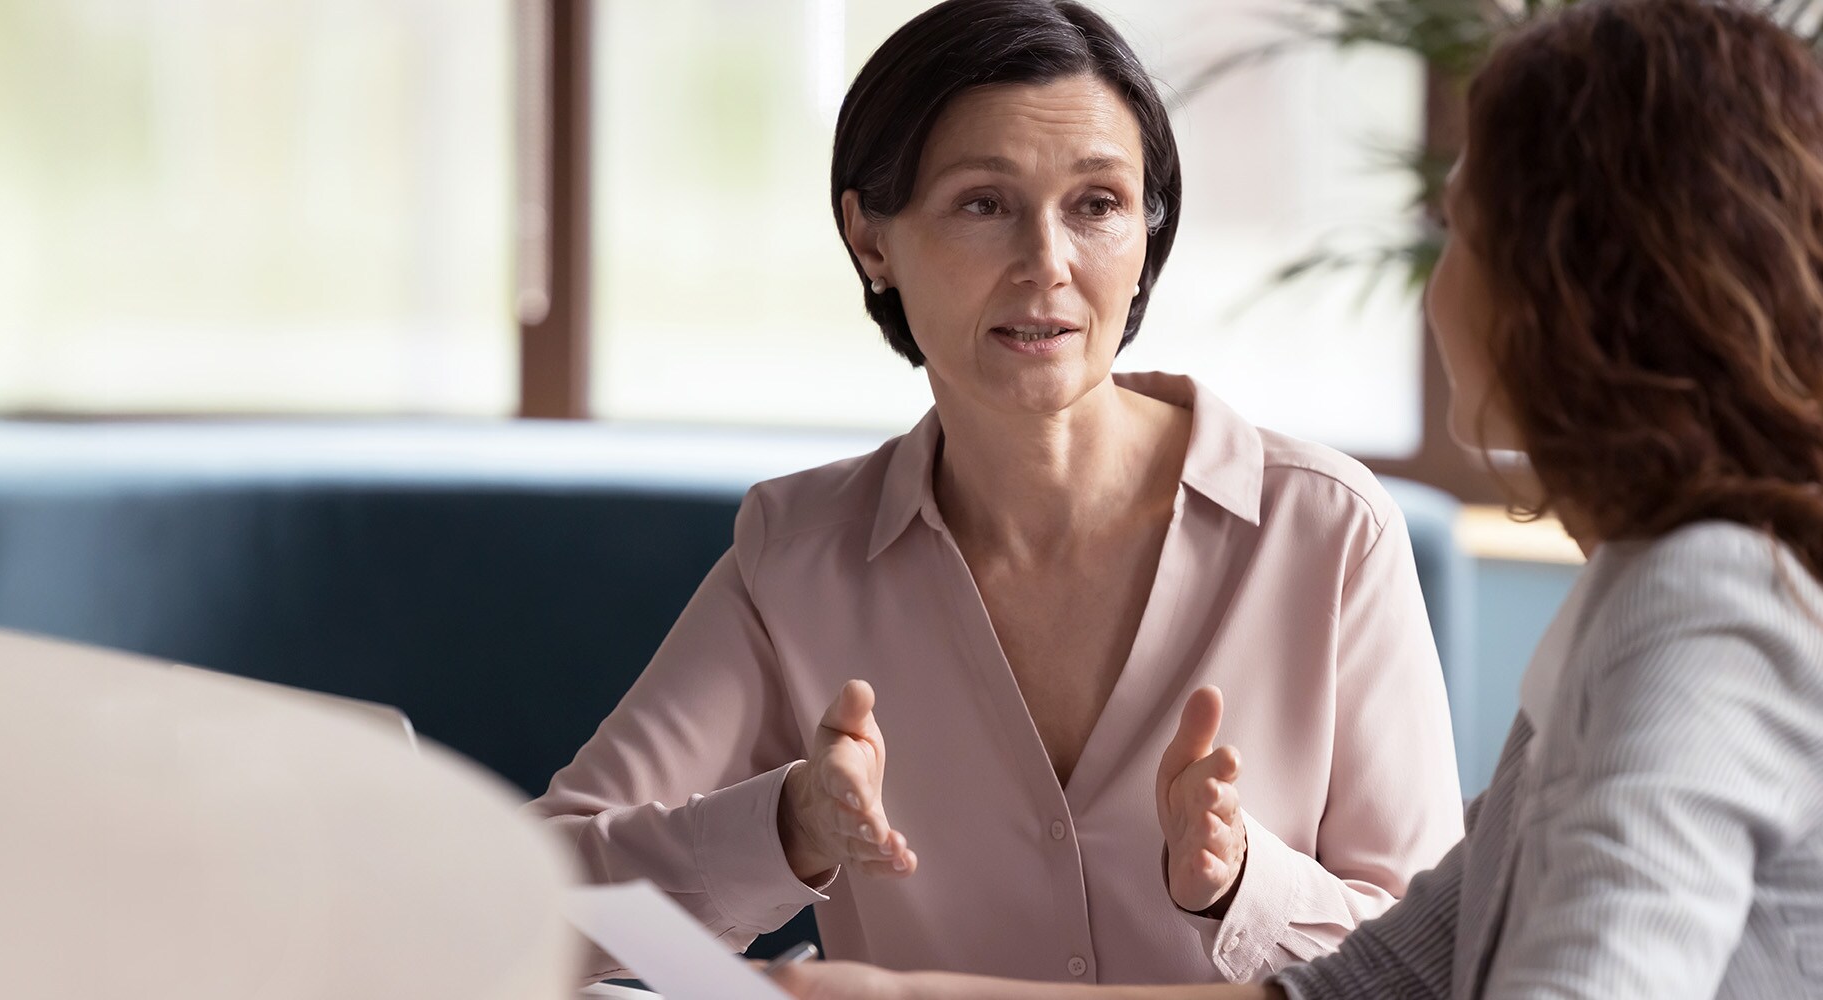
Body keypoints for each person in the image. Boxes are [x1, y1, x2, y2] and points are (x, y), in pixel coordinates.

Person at [769, 1, 1823, 997]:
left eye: (1459, 232)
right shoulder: (1649, 588)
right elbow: (1372, 983)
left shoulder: (1702, 605)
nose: (1435, 283)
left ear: (1569, 292)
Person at [529, 0, 1463, 985]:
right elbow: (544, 901)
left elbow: (1442, 964)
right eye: (985, 203)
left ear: (1147, 233)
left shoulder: (1328, 533)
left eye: (1096, 204)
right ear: (871, 238)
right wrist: (789, 827)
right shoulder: (797, 556)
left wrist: (1244, 884)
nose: (1048, 264)